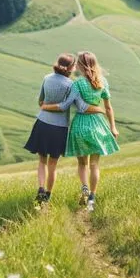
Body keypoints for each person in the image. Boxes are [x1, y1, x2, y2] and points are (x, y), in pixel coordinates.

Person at [41, 51, 119, 210]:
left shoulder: (77, 84)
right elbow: (108, 108)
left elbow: (65, 105)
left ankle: (84, 187)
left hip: (80, 126)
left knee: (82, 164)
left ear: (81, 67)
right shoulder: (102, 81)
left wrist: (46, 106)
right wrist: (113, 127)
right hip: (98, 125)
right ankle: (92, 198)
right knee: (95, 164)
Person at [24, 53, 101, 205]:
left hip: (42, 123)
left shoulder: (46, 78)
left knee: (41, 162)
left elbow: (41, 101)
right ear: (72, 68)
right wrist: (99, 109)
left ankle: (40, 188)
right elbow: (79, 106)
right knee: (52, 165)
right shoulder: (71, 85)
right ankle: (47, 195)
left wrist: (46, 106)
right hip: (59, 128)